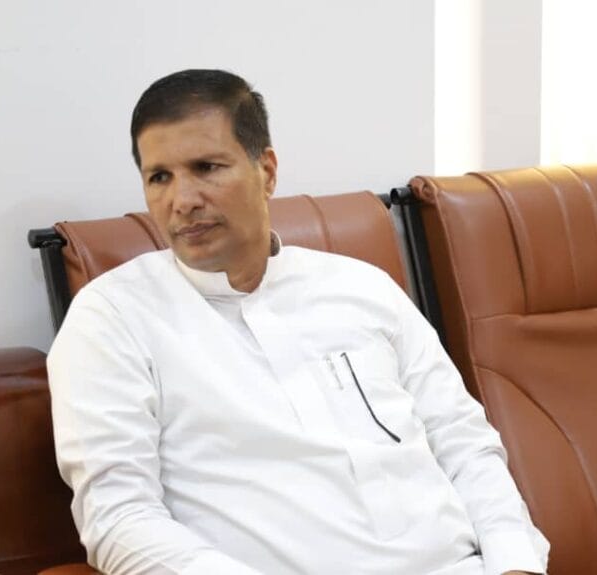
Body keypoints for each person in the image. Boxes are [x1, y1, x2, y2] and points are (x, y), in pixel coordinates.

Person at [47, 69, 549, 575]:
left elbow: (463, 441)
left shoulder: (364, 287)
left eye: (206, 167)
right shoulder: (111, 318)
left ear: (266, 171)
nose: (183, 201)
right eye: (160, 177)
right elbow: (119, 518)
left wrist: (516, 563)